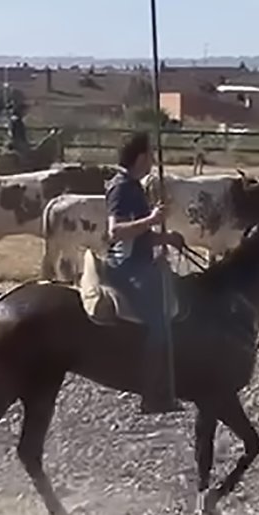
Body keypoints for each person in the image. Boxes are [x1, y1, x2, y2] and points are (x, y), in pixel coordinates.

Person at [105, 132, 186, 415]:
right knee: (159, 323)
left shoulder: (134, 187)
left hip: (138, 261)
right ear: (140, 158)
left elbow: (139, 237)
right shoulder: (122, 188)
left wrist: (166, 238)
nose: (153, 160)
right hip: (126, 267)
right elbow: (115, 232)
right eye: (151, 154)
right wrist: (152, 219)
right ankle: (152, 395)